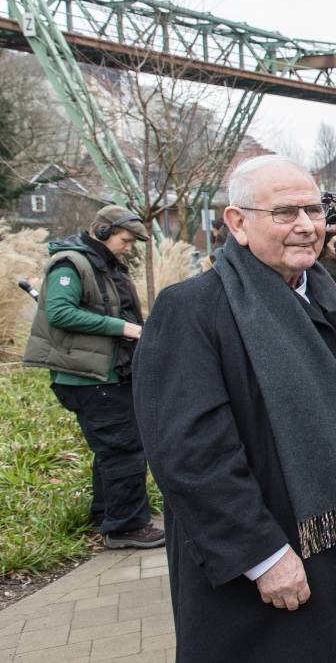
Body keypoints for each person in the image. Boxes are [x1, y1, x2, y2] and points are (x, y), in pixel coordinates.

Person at [132, 156, 336, 662]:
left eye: (313, 210)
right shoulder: (193, 311)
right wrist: (261, 557)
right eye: (285, 213)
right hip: (269, 580)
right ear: (238, 223)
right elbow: (191, 454)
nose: (307, 226)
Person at [23, 204, 163, 549]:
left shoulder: (104, 264)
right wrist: (125, 328)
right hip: (90, 378)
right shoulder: (71, 264)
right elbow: (59, 312)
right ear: (102, 232)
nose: (128, 247)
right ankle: (127, 527)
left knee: (113, 448)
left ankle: (107, 514)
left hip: (109, 373)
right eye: (125, 239)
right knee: (124, 448)